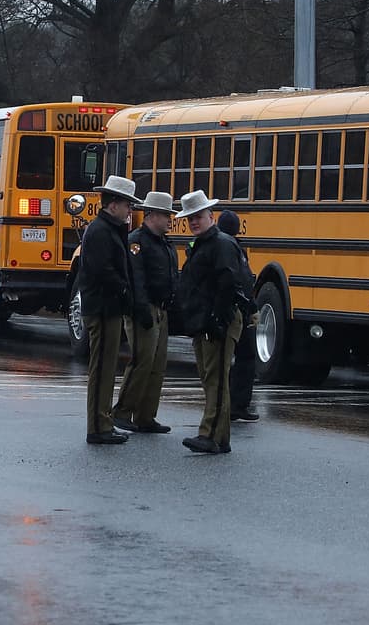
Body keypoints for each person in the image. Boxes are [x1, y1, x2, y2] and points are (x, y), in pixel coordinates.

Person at [174, 190, 245, 454]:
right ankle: (220, 436)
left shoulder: (221, 244)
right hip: (204, 320)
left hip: (218, 321)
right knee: (211, 378)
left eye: (198, 217)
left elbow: (228, 282)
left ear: (211, 216)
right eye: (190, 218)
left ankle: (209, 434)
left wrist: (217, 318)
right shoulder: (202, 244)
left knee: (214, 379)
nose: (194, 222)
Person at [79, 175, 140, 445]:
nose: (130, 210)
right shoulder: (101, 231)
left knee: (106, 368)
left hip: (109, 307)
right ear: (113, 204)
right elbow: (103, 271)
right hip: (102, 308)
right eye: (128, 204)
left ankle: (103, 421)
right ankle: (97, 426)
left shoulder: (110, 229)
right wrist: (125, 290)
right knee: (101, 369)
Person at [112, 191, 178, 434]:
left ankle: (145, 415)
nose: (171, 220)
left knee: (157, 365)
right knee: (142, 361)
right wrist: (141, 310)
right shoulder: (137, 241)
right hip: (145, 308)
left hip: (161, 308)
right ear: (152, 215)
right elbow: (136, 278)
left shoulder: (163, 242)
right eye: (166, 215)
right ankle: (121, 411)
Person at [217, 210, 260, 422]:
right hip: (231, 310)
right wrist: (252, 306)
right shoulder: (230, 248)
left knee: (243, 356)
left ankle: (236, 405)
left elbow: (244, 279)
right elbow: (240, 280)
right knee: (231, 359)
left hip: (239, 309)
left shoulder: (233, 247)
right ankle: (231, 405)